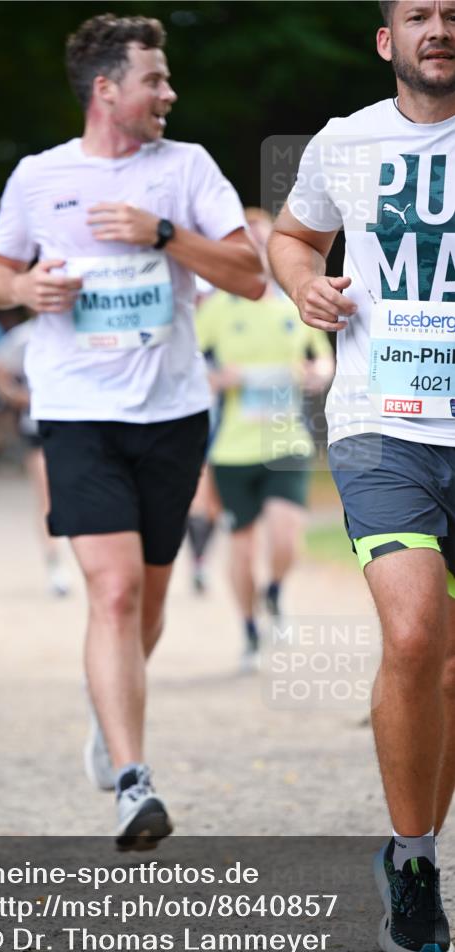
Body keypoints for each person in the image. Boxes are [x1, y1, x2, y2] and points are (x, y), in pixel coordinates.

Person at [0, 13, 264, 849]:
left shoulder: (186, 170)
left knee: (148, 600)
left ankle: (111, 718)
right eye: (155, 79)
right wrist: (26, 291)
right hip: (75, 414)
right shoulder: (39, 177)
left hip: (171, 414)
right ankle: (134, 784)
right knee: (111, 591)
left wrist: (165, 236)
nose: (169, 93)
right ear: (107, 89)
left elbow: (249, 276)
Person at [268, 0, 454, 952]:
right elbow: (296, 237)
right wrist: (304, 281)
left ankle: (413, 846)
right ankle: (415, 859)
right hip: (383, 425)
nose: (439, 26)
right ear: (387, 42)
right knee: (417, 634)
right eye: (417, 14)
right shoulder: (346, 143)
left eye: (452, 13)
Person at [197, 208, 334, 671]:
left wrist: (316, 374)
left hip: (287, 440)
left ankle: (274, 592)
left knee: (285, 536)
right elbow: (190, 368)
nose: (257, 248)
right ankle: (249, 630)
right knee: (241, 543)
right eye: (248, 241)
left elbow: (324, 360)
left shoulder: (294, 302)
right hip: (233, 447)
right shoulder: (216, 307)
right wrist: (218, 377)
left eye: (264, 239)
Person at [0, 316, 71, 597]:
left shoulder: (90, 326)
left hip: (84, 429)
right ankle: (56, 566)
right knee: (47, 498)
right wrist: (18, 397)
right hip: (38, 428)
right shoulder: (24, 337)